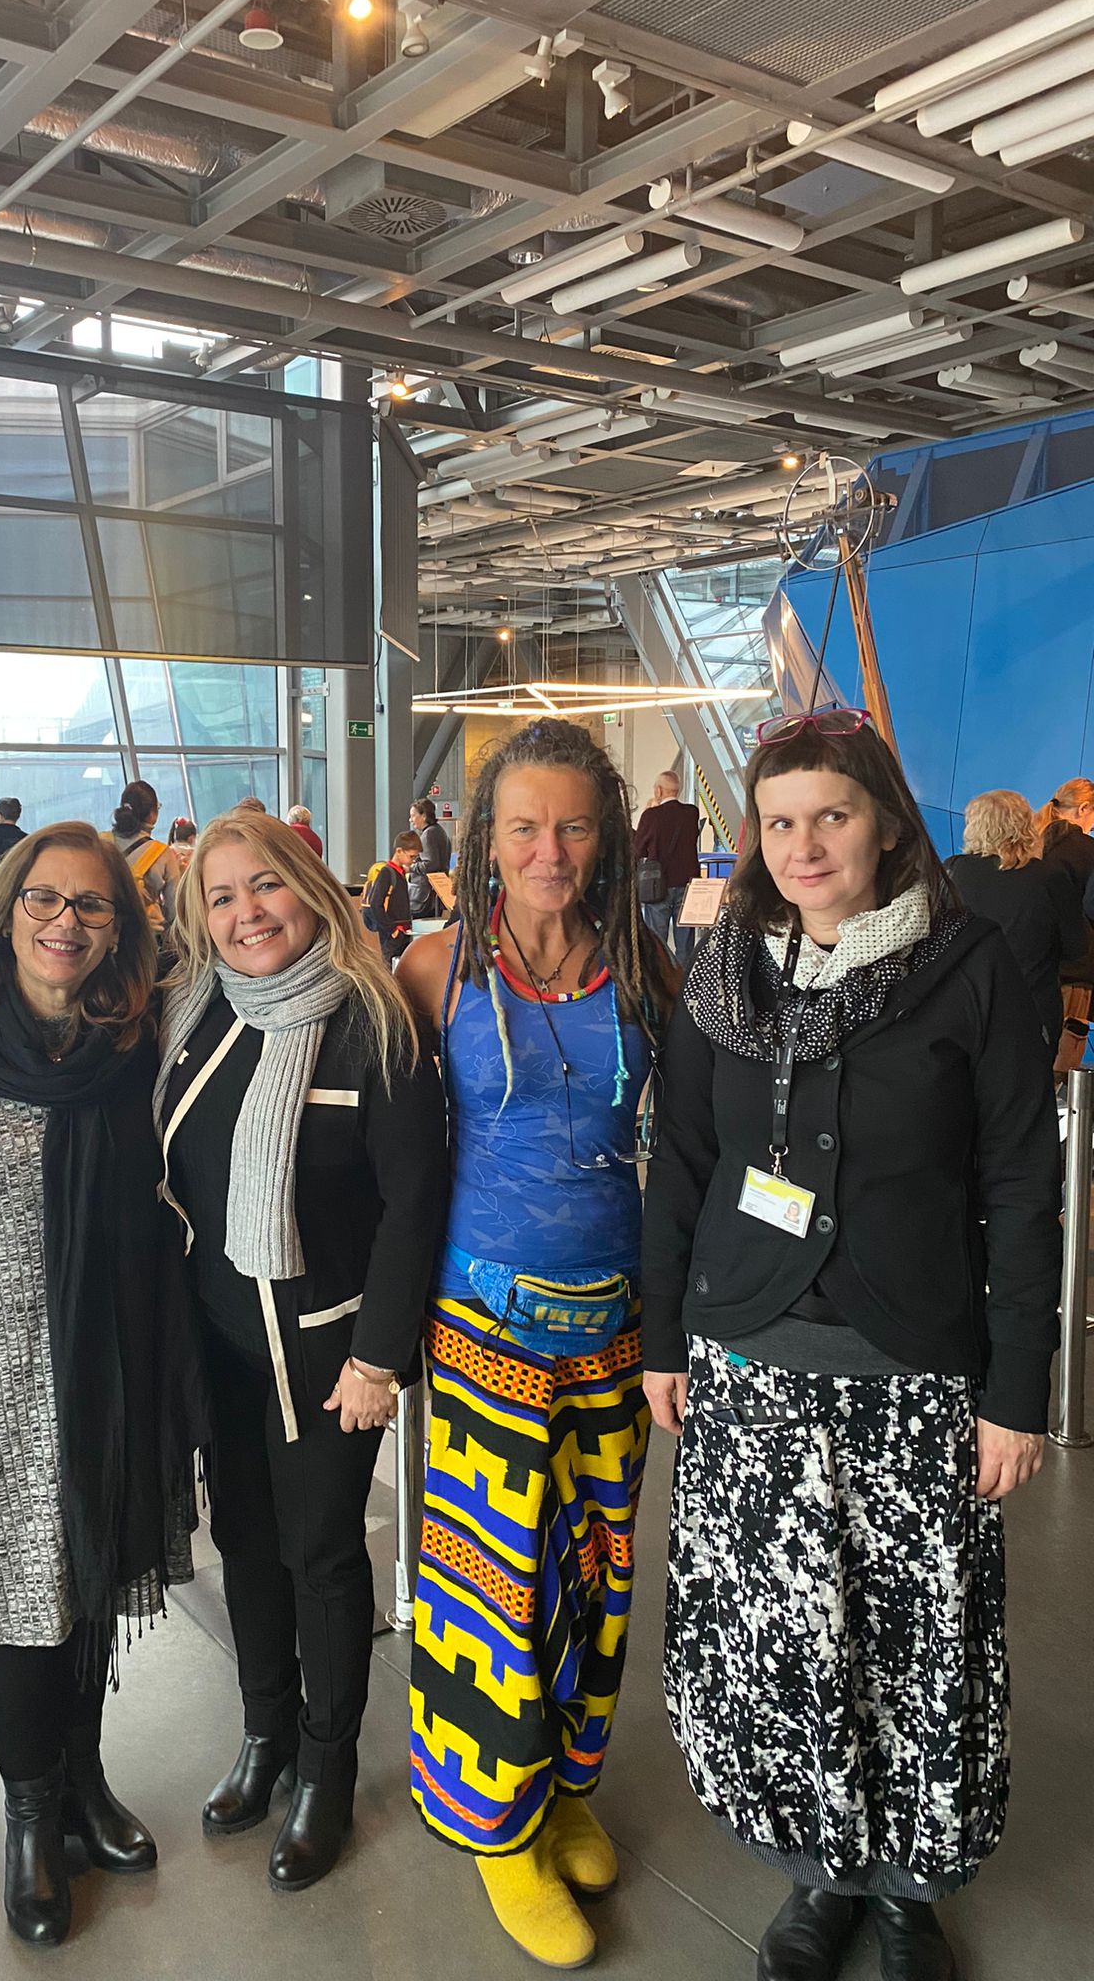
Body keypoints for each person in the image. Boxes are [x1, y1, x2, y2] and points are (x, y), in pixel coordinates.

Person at [641, 708, 1061, 1981]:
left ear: (885, 822)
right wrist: (665, 1337)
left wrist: (1017, 1389)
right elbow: (684, 1162)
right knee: (789, 1640)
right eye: (780, 821)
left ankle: (908, 1891)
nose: (805, 844)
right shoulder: (724, 971)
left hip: (914, 1369)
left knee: (914, 1645)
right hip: (748, 1358)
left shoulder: (968, 967)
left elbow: (1020, 1183)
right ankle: (819, 1871)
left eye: (832, 814)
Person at [0, 821, 203, 1948]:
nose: (65, 921)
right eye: (44, 899)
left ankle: (82, 1783)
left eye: (92, 904)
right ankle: (30, 1816)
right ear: (6, 910)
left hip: (110, 1363)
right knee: (21, 1606)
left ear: (120, 927)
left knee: (88, 1579)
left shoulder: (135, 1048)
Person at [395, 719, 676, 1972]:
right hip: (480, 1333)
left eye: (572, 826)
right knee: (492, 1591)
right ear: (486, 839)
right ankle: (496, 1831)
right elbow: (363, 1121)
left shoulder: (643, 964)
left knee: (600, 1574)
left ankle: (564, 1790)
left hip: (613, 1326)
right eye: (524, 826)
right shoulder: (435, 966)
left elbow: (712, 1120)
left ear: (604, 837)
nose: (549, 849)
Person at [154, 812, 447, 1892]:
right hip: (217, 1341)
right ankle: (265, 1730)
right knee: (243, 1539)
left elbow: (414, 1203)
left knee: (321, 1552)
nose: (248, 913)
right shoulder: (194, 1012)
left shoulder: (373, 1023)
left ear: (312, 890)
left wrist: (378, 1359)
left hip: (326, 1351)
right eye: (222, 895)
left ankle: (326, 1765)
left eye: (266, 885)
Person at [947, 790, 1087, 1065]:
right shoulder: (1051, 879)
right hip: (1031, 1016)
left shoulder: (954, 871)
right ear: (1025, 827)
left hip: (963, 1010)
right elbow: (1078, 948)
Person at [1034, 778, 1094, 1068]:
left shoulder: (1030, 843)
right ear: (1083, 808)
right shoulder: (1088, 851)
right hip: (1074, 969)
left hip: (1028, 965)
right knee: (1065, 1057)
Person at [634, 769, 701, 967]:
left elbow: (638, 849)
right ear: (677, 791)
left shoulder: (651, 816)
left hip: (658, 885)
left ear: (658, 791)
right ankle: (683, 981)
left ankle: (661, 980)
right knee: (685, 944)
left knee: (658, 943)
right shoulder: (691, 813)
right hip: (687, 885)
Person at [105, 780, 180, 934]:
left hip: (107, 932)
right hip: (147, 935)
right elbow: (175, 910)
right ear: (152, 813)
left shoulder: (101, 843)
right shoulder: (162, 853)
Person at [362, 832, 418, 966]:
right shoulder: (386, 873)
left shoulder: (400, 873)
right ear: (399, 851)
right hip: (393, 932)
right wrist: (392, 929)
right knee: (390, 966)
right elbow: (376, 904)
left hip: (403, 930)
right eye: (411, 856)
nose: (413, 861)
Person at [407, 797, 451, 919]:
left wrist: (411, 867)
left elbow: (431, 864)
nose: (410, 819)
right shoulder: (439, 831)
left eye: (413, 815)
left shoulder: (428, 835)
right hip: (435, 895)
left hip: (424, 896)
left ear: (424, 816)